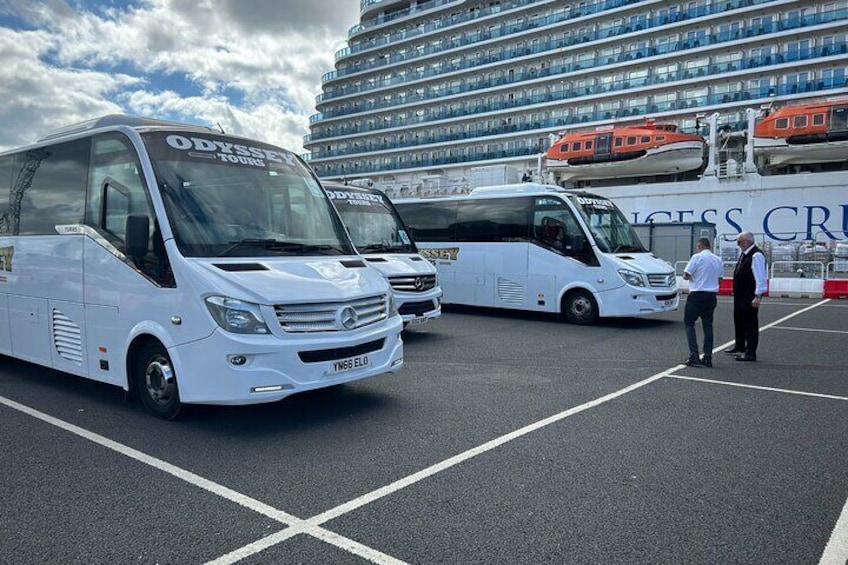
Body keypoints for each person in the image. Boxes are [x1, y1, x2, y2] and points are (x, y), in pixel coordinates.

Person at [682, 237, 723, 367]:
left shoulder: (697, 257)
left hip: (697, 294)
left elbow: (686, 275)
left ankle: (694, 355)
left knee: (689, 323)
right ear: (709, 246)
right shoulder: (717, 259)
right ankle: (708, 356)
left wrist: (695, 277)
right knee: (708, 326)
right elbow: (720, 279)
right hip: (711, 295)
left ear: (699, 246)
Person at [728, 231, 768, 361]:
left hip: (749, 295)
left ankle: (750, 352)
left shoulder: (756, 255)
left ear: (746, 241)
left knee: (750, 324)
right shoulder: (745, 255)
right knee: (739, 320)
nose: (738, 244)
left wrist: (758, 295)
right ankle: (740, 345)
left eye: (739, 242)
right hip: (740, 295)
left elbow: (760, 277)